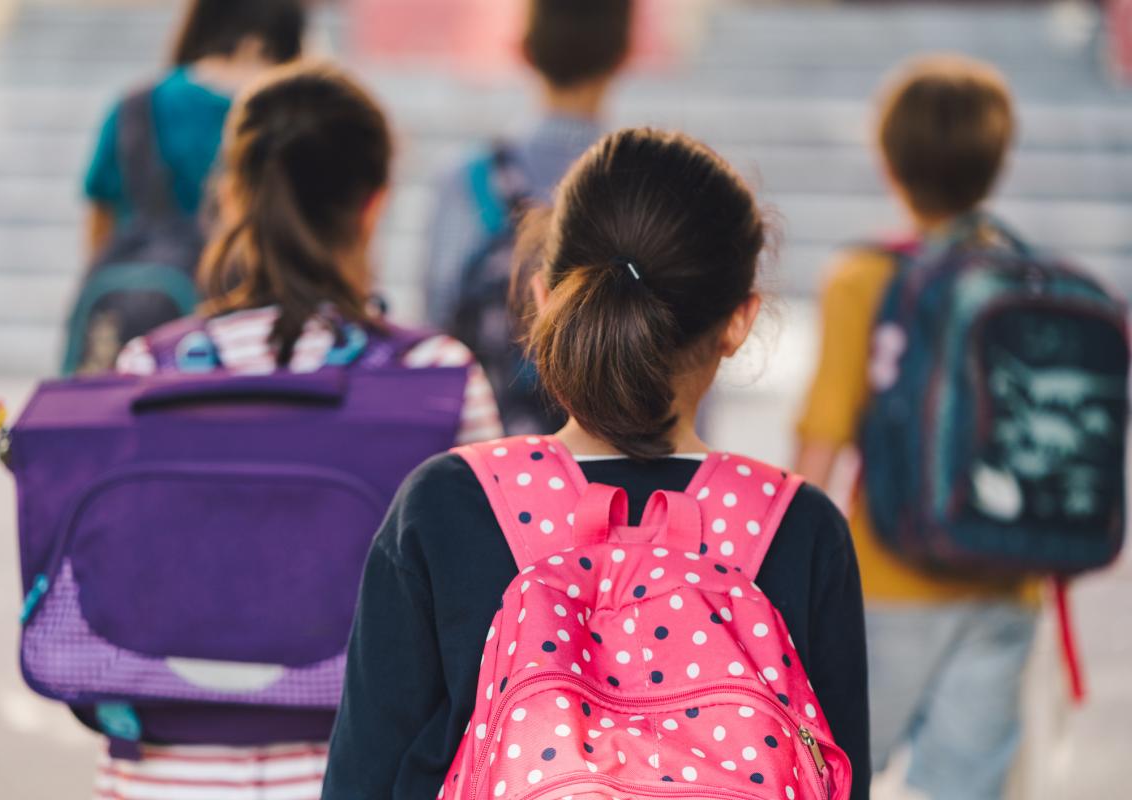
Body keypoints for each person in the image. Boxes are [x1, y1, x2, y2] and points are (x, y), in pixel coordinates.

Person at [324, 128, 870, 800]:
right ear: (739, 321)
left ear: (543, 295)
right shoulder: (800, 529)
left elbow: (364, 779)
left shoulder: (446, 505)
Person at [107, 61, 502, 800]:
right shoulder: (437, 376)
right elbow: (483, 607)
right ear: (374, 203)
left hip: (170, 770)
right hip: (364, 771)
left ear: (234, 194)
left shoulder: (152, 372)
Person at [795, 55, 1038, 800]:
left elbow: (827, 430)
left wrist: (790, 570)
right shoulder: (1024, 279)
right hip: (1008, 576)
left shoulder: (864, 278)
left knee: (833, 774)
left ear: (889, 162)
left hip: (890, 574)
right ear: (996, 163)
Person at [422, 0, 633, 433]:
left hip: (491, 465)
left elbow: (437, 327)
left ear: (524, 49)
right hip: (624, 471)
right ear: (624, 52)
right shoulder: (647, 181)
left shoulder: (469, 180)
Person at [84, 0, 305, 258]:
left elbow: (100, 233)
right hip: (266, 290)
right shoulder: (304, 116)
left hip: (153, 291)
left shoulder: (136, 108)